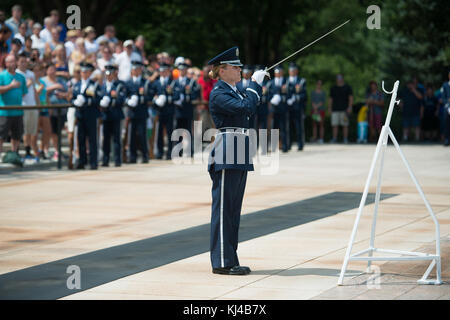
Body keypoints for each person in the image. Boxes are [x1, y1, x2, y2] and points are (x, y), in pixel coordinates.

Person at [206, 46, 267, 275]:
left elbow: (249, 109)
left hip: (239, 149)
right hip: (226, 151)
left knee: (233, 210)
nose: (240, 69)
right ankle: (221, 261)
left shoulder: (235, 91)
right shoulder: (219, 92)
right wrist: (255, 86)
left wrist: (252, 88)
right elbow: (246, 107)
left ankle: (230, 258)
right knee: (224, 210)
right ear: (222, 71)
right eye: (235, 66)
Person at [71, 62, 102, 169]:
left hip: (91, 115)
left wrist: (87, 101)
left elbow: (97, 99)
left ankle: (93, 162)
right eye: (82, 72)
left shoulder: (94, 85)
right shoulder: (77, 85)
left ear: (90, 73)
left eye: (86, 72)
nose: (83, 74)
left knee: (92, 139)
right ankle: (82, 161)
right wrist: (74, 101)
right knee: (81, 138)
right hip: (80, 115)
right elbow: (73, 97)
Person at [125, 60, 152, 163]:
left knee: (142, 135)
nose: (135, 71)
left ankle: (145, 155)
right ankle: (132, 156)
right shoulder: (128, 82)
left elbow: (149, 96)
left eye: (137, 69)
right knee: (131, 135)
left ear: (140, 70)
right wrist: (129, 100)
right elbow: (124, 95)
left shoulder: (145, 82)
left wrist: (140, 99)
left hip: (142, 112)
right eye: (134, 69)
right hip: (132, 112)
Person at [0, 54, 27, 157]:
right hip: (4, 111)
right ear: (6, 63)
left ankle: (14, 154)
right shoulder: (2, 76)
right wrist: (11, 86)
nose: (12, 63)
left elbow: (24, 92)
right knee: (1, 135)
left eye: (13, 61)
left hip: (18, 111)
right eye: (9, 61)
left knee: (16, 135)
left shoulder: (21, 77)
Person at [99, 63, 126, 166]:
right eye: (107, 74)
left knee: (116, 139)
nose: (109, 76)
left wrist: (111, 99)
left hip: (115, 115)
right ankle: (105, 160)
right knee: (105, 138)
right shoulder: (103, 86)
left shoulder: (119, 85)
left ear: (114, 74)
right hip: (105, 115)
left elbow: (121, 99)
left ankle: (117, 160)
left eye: (110, 73)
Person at [41, 62, 69, 160]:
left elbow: (68, 93)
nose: (52, 71)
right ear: (46, 71)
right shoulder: (43, 80)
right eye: (50, 69)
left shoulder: (61, 80)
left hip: (61, 109)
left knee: (58, 131)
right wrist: (54, 87)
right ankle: (47, 150)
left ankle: (57, 150)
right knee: (51, 131)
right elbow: (41, 91)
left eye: (54, 69)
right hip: (49, 110)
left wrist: (63, 95)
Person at [153, 63, 179, 160]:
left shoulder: (172, 82)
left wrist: (167, 98)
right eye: (161, 71)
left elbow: (177, 96)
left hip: (169, 111)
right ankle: (159, 153)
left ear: (168, 71)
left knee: (169, 133)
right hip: (159, 111)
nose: (163, 73)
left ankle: (169, 153)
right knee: (159, 133)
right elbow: (151, 93)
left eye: (165, 71)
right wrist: (155, 100)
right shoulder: (156, 83)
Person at [16, 53, 40, 162]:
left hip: (33, 105)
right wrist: (28, 84)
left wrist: (38, 104)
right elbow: (19, 92)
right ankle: (26, 151)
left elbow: (34, 90)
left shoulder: (31, 74)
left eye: (25, 61)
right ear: (17, 62)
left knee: (32, 130)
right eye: (21, 61)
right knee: (25, 130)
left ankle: (29, 150)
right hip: (23, 105)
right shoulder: (16, 74)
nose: (24, 64)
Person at [174, 62, 200, 157]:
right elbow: (172, 94)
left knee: (188, 130)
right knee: (178, 131)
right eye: (180, 69)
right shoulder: (175, 82)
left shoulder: (191, 82)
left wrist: (185, 98)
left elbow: (195, 94)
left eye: (184, 69)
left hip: (187, 109)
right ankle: (177, 151)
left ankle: (189, 151)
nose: (182, 71)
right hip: (178, 110)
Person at [286, 62, 307, 151]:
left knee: (299, 127)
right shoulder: (285, 81)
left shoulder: (301, 81)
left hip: (298, 107)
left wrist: (296, 97)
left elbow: (304, 95)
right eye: (291, 70)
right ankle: (288, 144)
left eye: (294, 70)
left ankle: (300, 144)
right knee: (288, 127)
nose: (292, 72)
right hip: (288, 107)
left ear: (297, 71)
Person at [268, 65, 288, 152]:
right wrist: (271, 99)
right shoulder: (271, 82)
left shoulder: (286, 81)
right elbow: (268, 93)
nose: (278, 74)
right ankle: (274, 146)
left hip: (283, 108)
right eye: (276, 73)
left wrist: (282, 97)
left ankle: (284, 146)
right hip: (274, 108)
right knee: (274, 128)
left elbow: (289, 93)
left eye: (279, 72)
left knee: (284, 128)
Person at [329, 74, 353, 143]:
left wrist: (350, 107)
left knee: (345, 125)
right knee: (334, 125)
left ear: (342, 78)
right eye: (337, 78)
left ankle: (345, 139)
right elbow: (330, 99)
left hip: (345, 109)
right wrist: (329, 107)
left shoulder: (348, 87)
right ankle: (334, 138)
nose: (339, 79)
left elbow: (350, 98)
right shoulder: (333, 88)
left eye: (340, 78)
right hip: (335, 109)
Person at [440, 70, 450, 146]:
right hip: (448, 106)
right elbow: (443, 98)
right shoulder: (445, 85)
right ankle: (447, 139)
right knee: (446, 123)